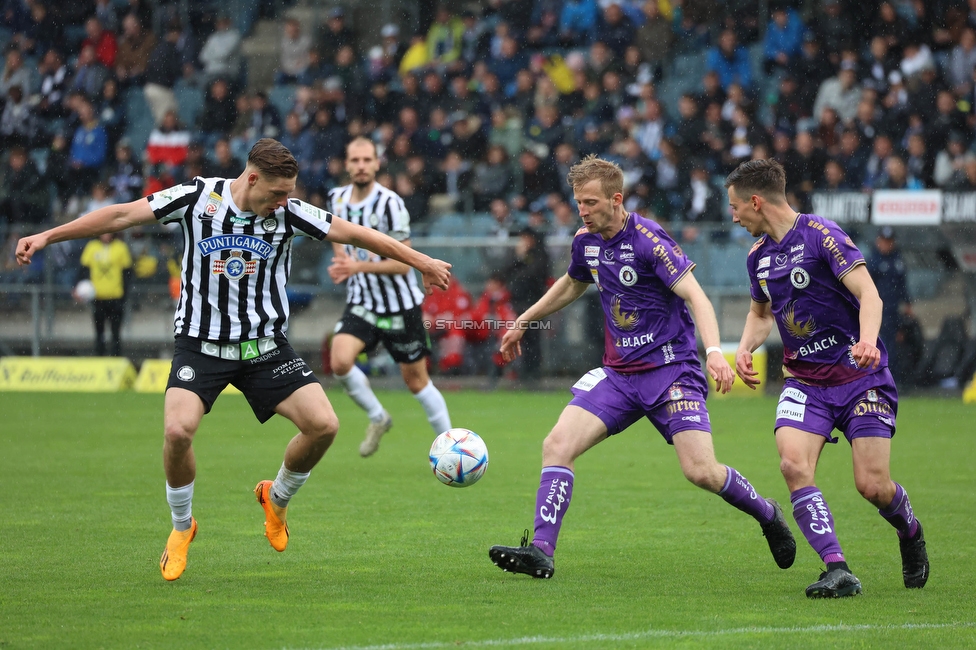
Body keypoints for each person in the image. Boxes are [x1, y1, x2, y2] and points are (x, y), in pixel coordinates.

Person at [15, 138, 452, 582]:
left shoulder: (289, 213)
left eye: (290, 193)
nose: (285, 201)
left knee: (325, 425)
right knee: (177, 430)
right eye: (278, 193)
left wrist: (420, 261)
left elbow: (359, 234)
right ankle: (182, 527)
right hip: (201, 344)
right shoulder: (195, 198)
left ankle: (276, 498)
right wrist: (49, 235)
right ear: (252, 177)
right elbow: (122, 214)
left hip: (263, 347)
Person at [488, 155, 796, 579]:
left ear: (617, 200)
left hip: (672, 372)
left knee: (701, 472)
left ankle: (767, 514)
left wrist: (712, 353)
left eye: (591, 202)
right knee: (556, 445)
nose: (583, 210)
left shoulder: (650, 240)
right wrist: (524, 321)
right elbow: (573, 282)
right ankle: (541, 550)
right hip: (619, 375)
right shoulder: (586, 241)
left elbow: (697, 296)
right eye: (578, 202)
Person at [726, 158, 928, 599]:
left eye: (736, 206)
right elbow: (761, 314)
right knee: (793, 465)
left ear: (756, 201)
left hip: (861, 377)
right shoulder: (758, 257)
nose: (734, 215)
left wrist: (869, 340)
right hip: (804, 383)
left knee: (872, 485)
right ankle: (837, 567)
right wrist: (745, 347)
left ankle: (909, 530)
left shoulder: (822, 235)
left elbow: (868, 293)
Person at [327, 137, 453, 457]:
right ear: (347, 163)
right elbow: (337, 239)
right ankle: (378, 416)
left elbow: (401, 264)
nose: (360, 166)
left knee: (416, 381)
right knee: (339, 360)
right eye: (354, 160)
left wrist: (354, 266)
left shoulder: (390, 203)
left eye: (366, 160)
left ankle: (451, 446)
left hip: (400, 305)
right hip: (363, 302)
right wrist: (342, 263)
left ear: (376, 163)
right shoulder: (336, 198)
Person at [866, 226, 913, 382]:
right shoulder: (872, 260)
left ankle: (893, 380)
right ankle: (877, 379)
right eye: (884, 241)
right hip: (877, 310)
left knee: (894, 346)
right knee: (879, 344)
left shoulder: (897, 260)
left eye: (889, 241)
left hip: (894, 311)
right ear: (878, 241)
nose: (887, 244)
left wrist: (907, 304)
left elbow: (902, 286)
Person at [80, 231, 132, 356]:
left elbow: (127, 273)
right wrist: (80, 288)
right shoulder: (92, 247)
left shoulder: (121, 247)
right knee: (99, 332)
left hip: (116, 297)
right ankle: (100, 358)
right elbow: (84, 270)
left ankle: (116, 358)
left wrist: (125, 295)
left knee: (116, 332)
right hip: (98, 297)